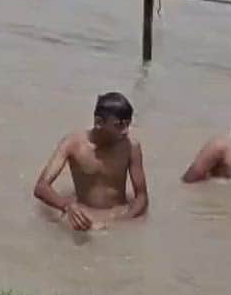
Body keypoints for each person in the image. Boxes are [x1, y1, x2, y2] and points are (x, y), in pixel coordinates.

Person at [32, 92, 149, 231]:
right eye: (119, 125)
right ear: (99, 122)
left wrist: (123, 223)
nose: (125, 131)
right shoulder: (72, 144)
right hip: (85, 216)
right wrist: (66, 206)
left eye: (128, 125)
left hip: (119, 214)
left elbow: (141, 196)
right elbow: (41, 187)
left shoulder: (131, 147)